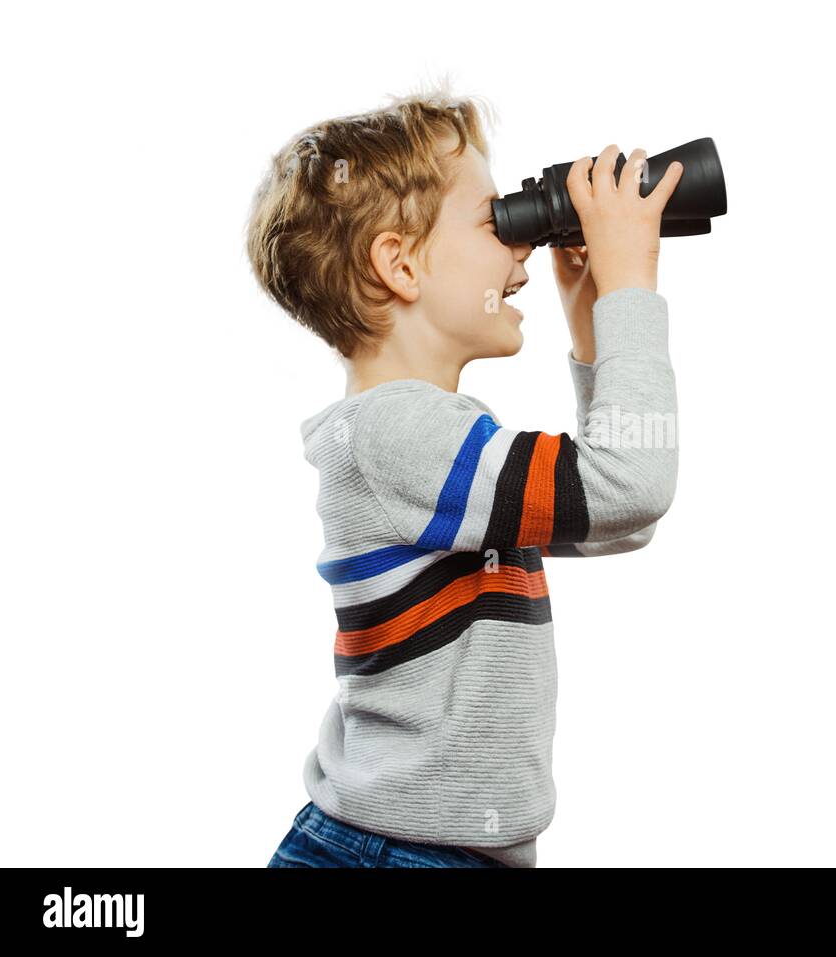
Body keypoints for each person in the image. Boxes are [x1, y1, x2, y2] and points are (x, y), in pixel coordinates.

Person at [245, 87, 683, 867]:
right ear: (400, 263)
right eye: (497, 220)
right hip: (389, 854)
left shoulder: (433, 436)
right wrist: (629, 286)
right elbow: (631, 486)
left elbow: (620, 513)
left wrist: (587, 321)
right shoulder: (398, 434)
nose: (521, 246)